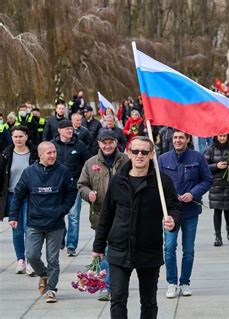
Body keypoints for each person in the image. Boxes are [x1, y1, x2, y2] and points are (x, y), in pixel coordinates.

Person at [92, 136, 181, 318]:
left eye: (145, 152)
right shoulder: (118, 180)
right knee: (118, 299)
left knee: (148, 301)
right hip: (119, 249)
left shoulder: (162, 181)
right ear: (128, 153)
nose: (140, 155)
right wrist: (98, 247)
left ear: (152, 154)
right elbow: (107, 214)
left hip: (149, 249)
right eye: (135, 151)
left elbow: (174, 207)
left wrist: (173, 219)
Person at [9, 141, 77, 303]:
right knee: (32, 256)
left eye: (54, 152)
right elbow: (18, 195)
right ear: (40, 155)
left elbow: (71, 192)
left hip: (56, 224)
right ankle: (44, 274)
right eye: (49, 153)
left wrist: (63, 209)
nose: (53, 155)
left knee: (53, 258)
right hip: (35, 223)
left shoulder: (63, 171)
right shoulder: (29, 172)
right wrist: (13, 216)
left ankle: (51, 289)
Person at [158, 130, 213, 299]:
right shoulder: (163, 159)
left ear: (188, 139)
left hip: (190, 211)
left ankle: (185, 282)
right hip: (170, 212)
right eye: (175, 137)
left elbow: (207, 180)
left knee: (188, 250)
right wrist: (168, 196)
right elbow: (157, 182)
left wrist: (193, 193)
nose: (178, 140)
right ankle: (172, 282)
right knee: (169, 247)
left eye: (181, 137)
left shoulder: (198, 158)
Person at [77, 130, 128, 301]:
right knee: (104, 251)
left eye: (110, 142)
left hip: (123, 215)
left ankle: (117, 281)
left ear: (116, 142)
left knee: (120, 251)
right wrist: (88, 193)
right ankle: (107, 286)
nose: (107, 146)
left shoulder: (126, 161)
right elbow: (81, 184)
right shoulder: (90, 163)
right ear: (98, 143)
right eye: (104, 143)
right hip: (100, 216)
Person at [0, 126, 38, 275]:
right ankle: (20, 259)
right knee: (17, 229)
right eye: (15, 137)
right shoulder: (5, 154)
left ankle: (30, 261)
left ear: (26, 137)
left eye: (21, 136)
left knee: (30, 229)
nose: (18, 139)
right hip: (12, 196)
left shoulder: (34, 153)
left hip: (30, 196)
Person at [52, 120, 89, 256]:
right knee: (59, 215)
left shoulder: (79, 145)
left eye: (71, 129)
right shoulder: (53, 145)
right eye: (66, 129)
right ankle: (61, 237)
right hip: (57, 187)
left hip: (74, 187)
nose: (70, 131)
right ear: (59, 130)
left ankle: (71, 245)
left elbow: (87, 163)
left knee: (73, 216)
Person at [204, 134, 229, 247]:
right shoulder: (210, 149)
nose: (222, 138)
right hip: (216, 184)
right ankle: (218, 235)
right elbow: (204, 166)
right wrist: (216, 166)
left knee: (228, 210)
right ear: (216, 137)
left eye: (224, 136)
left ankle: (228, 227)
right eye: (220, 136)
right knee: (217, 210)